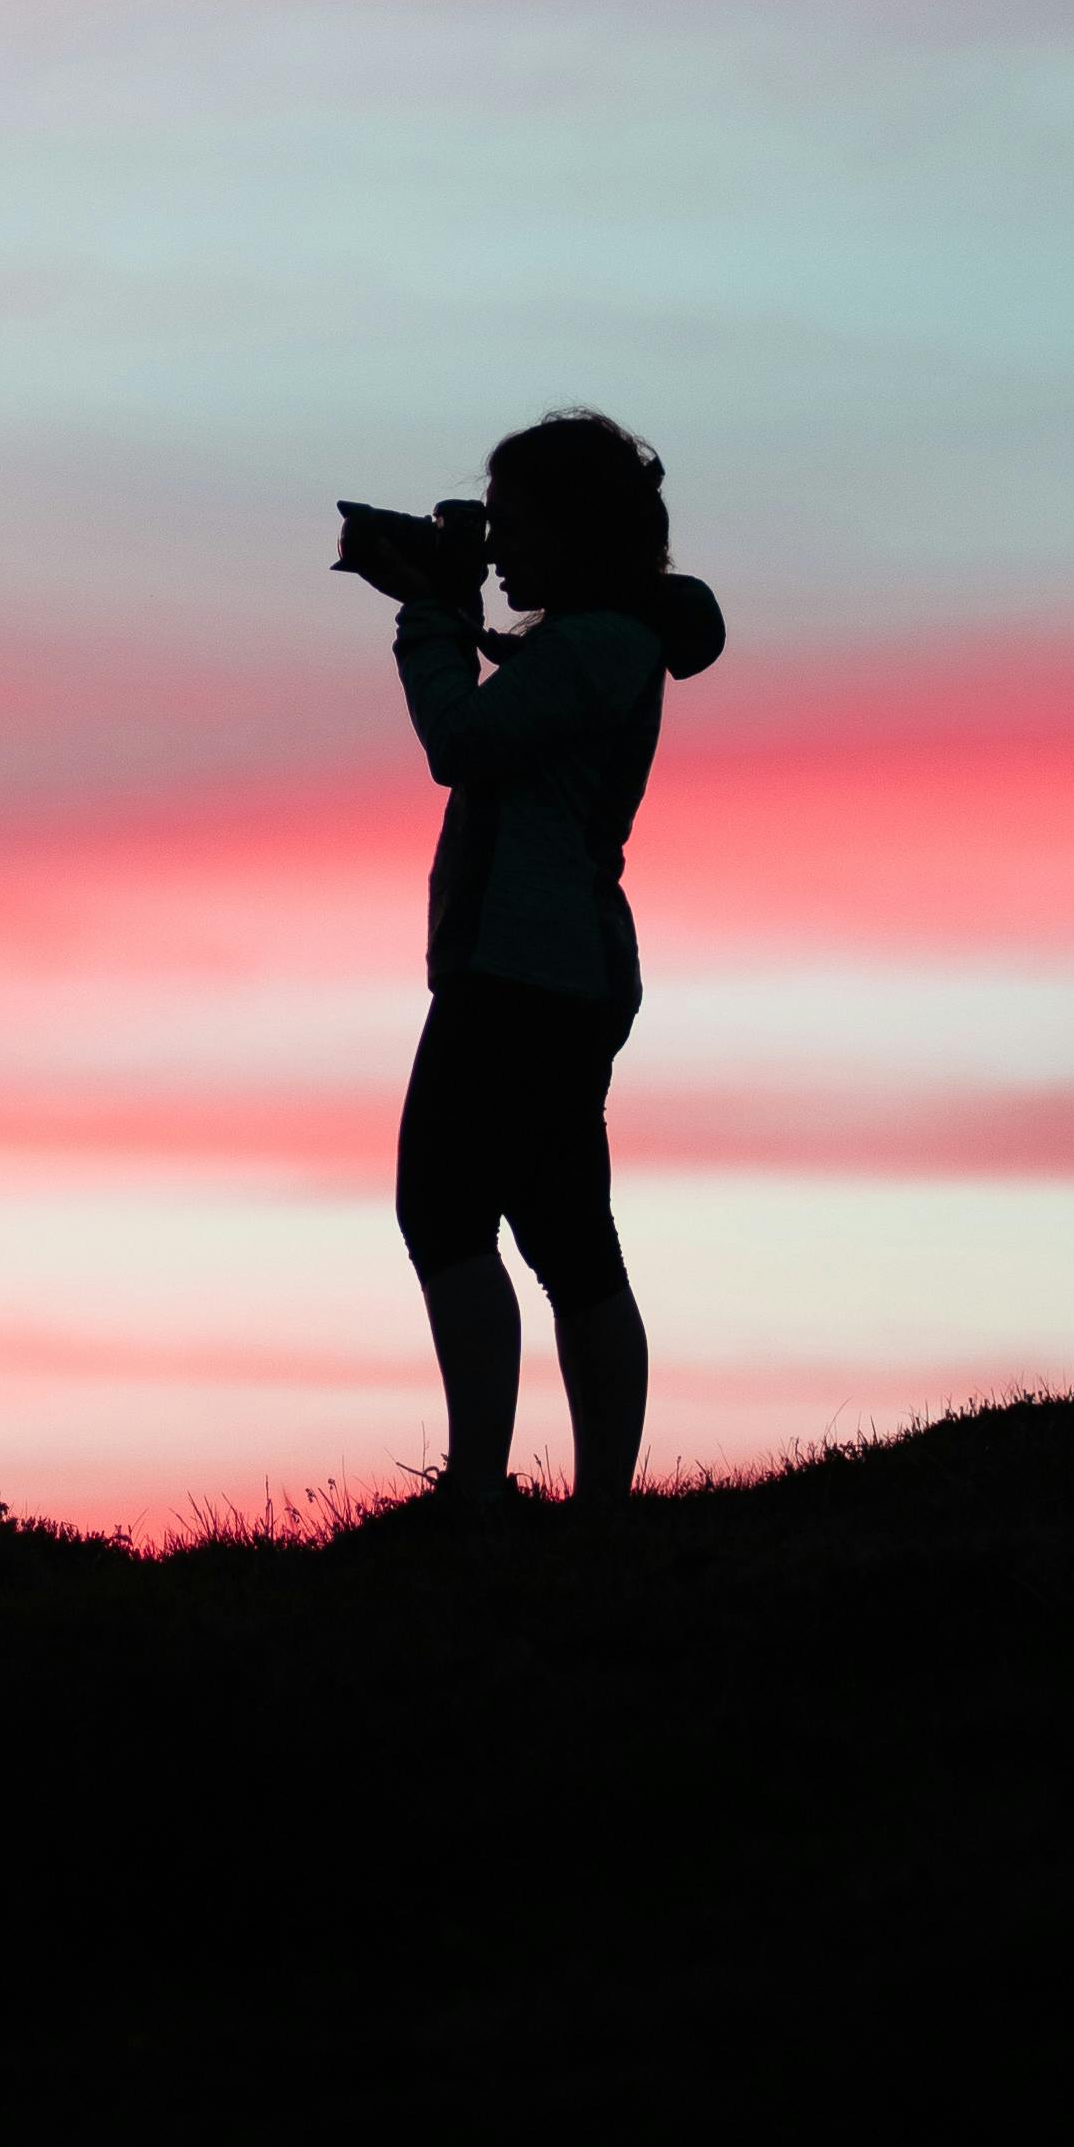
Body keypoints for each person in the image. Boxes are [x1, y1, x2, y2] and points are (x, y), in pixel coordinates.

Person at [340, 408, 725, 1520]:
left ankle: (479, 1492)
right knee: (562, 1230)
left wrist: (430, 614)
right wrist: (451, 609)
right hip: (556, 970)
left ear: (574, 529)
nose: (498, 547)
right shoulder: (603, 641)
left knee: (447, 1213)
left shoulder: (595, 648)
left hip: (519, 970)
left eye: (512, 525)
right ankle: (590, 1504)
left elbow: (458, 742)